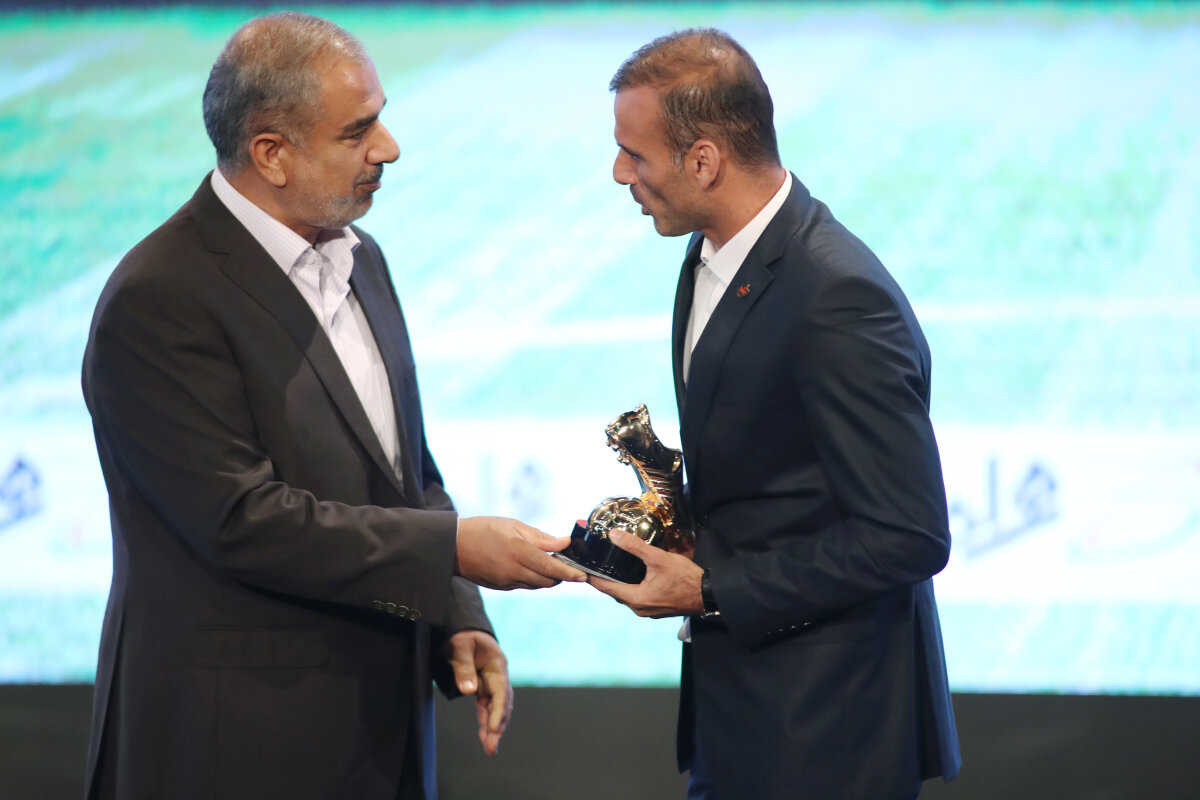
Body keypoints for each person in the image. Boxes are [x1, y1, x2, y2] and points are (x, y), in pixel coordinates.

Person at [80, 12, 585, 800]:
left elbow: (403, 470)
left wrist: (458, 611)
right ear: (271, 154)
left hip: (378, 736)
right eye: (357, 132)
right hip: (238, 748)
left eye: (379, 118)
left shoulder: (360, 258)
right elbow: (241, 521)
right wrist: (452, 550)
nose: (389, 148)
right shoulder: (161, 297)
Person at [587, 28, 962, 799]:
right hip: (743, 713)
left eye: (634, 154)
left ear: (703, 161)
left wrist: (709, 590)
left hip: (825, 733)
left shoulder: (836, 297)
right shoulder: (712, 253)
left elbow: (908, 534)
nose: (620, 172)